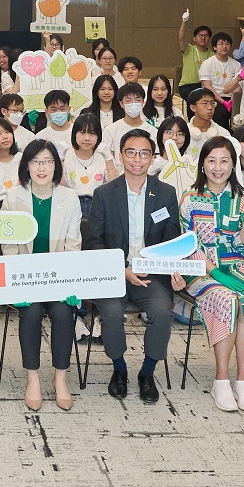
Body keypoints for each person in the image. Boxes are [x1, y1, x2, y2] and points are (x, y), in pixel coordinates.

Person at [85, 129, 181, 404]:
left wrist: (174, 270)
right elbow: (93, 243)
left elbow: (172, 240)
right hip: (114, 273)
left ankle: (147, 372)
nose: (137, 159)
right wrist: (122, 269)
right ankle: (120, 369)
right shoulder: (104, 194)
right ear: (120, 155)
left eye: (144, 153)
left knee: (162, 311)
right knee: (112, 313)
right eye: (131, 152)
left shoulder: (165, 193)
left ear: (152, 158)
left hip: (151, 274)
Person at [0, 138, 82, 411]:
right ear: (26, 166)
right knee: (31, 312)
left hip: (58, 278)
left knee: (62, 312)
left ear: (56, 166)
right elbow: (8, 246)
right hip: (27, 278)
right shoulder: (13, 197)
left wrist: (70, 283)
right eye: (35, 161)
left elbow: (73, 246)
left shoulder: (70, 199)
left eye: (47, 161)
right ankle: (32, 377)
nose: (41, 167)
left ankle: (60, 377)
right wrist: (16, 287)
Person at [179, 137, 244, 411]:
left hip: (236, 264)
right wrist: (214, 271)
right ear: (203, 164)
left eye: (224, 161)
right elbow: (190, 245)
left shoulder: (243, 197)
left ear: (232, 164)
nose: (218, 167)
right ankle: (222, 380)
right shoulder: (190, 199)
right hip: (200, 268)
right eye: (212, 160)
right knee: (226, 298)